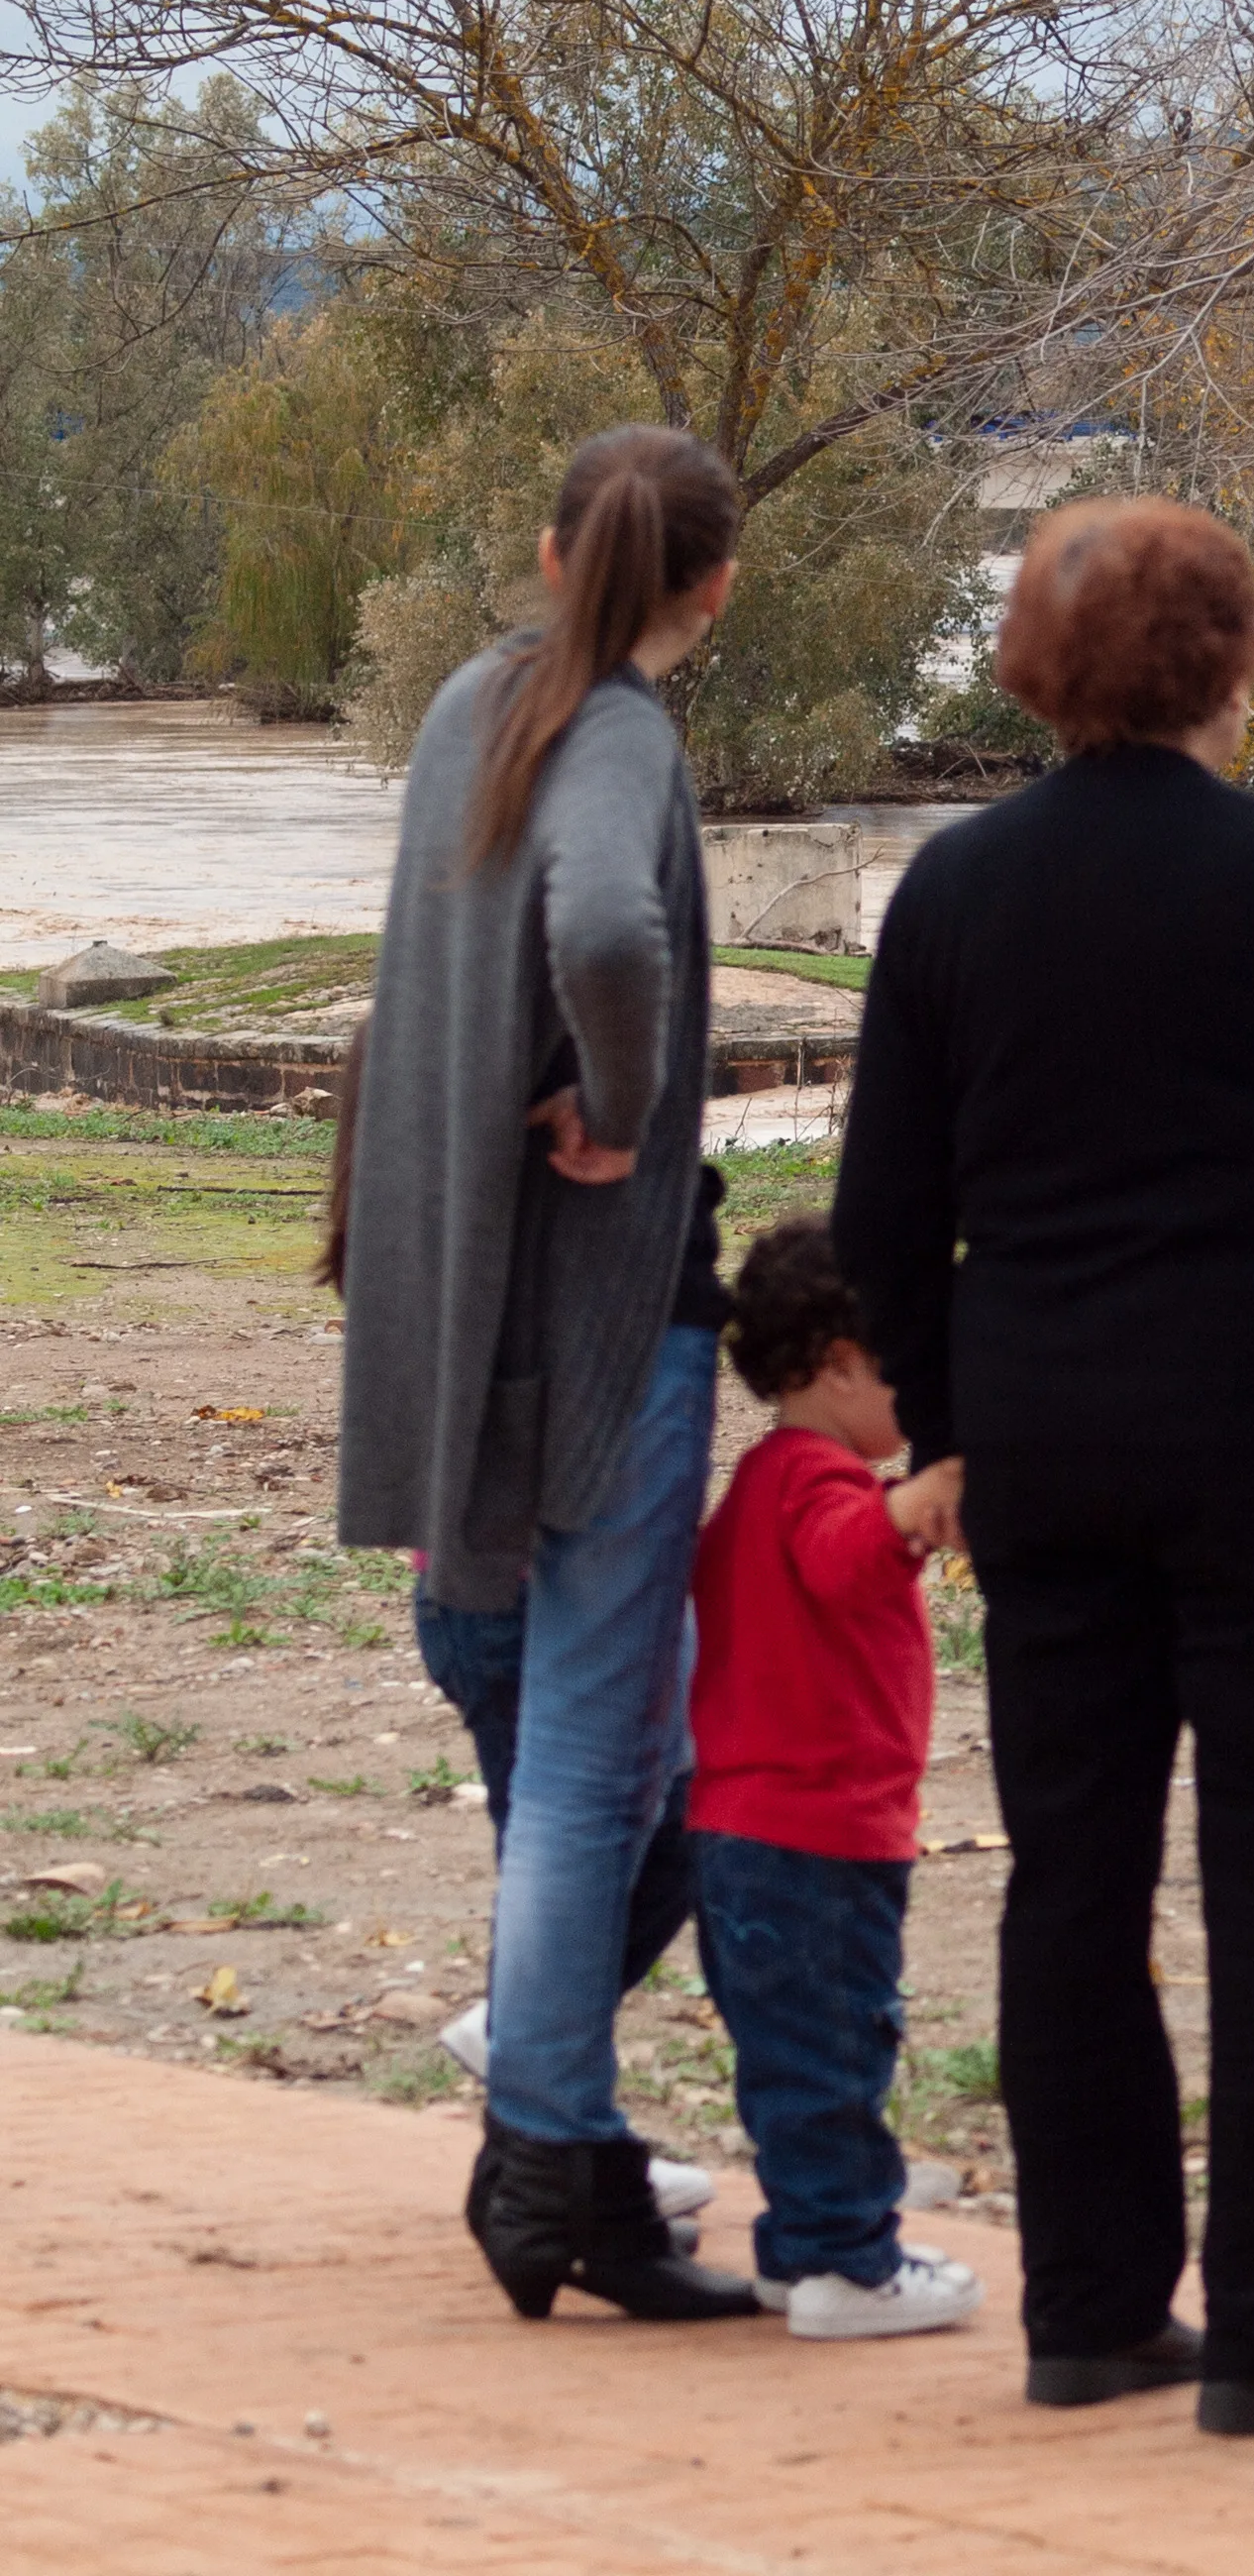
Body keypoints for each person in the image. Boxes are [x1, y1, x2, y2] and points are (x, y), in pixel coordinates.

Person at [833, 497, 1254, 2432]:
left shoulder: (952, 892)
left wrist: (944, 1426)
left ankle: (1094, 2309)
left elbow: (885, 1213)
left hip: (1046, 1443)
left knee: (1070, 1877)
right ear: (1240, 658)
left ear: (1028, 666)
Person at [334, 423, 756, 2321]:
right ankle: (552, 2171)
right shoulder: (624, 736)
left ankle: (560, 2142)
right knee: (606, 1757)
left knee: (576, 1743)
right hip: (601, 1317)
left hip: (462, 1300)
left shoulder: (465, 707)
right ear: (715, 584)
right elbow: (604, 922)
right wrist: (625, 1096)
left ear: (542, 541)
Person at [318, 1021, 708, 2175]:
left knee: (608, 1846)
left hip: (489, 1602)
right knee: (617, 1847)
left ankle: (537, 2097)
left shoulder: (414, 1261)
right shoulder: (474, 1268)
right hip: (524, 1597)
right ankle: (537, 2091)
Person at [690, 1216, 979, 2338]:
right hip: (812, 1835)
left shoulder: (770, 1476)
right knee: (837, 2051)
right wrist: (910, 1510)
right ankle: (845, 2266)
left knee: (793, 2057)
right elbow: (843, 1561)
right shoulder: (816, 1487)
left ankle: (800, 2245)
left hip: (748, 1832)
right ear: (844, 1364)